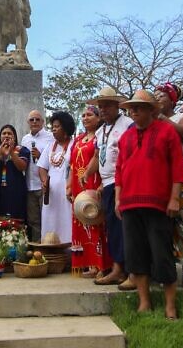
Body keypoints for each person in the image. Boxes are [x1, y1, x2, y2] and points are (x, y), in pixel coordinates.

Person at [115, 90, 183, 318]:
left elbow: (178, 167)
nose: (133, 111)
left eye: (139, 107)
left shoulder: (166, 132)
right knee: (136, 255)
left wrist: (174, 197)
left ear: (151, 109)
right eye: (131, 108)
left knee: (162, 254)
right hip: (129, 203)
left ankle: (170, 305)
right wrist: (118, 197)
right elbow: (119, 170)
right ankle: (144, 301)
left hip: (158, 204)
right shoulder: (126, 137)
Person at [79, 87, 131, 287]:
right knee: (112, 227)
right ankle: (118, 268)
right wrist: (88, 173)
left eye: (108, 105)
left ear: (117, 105)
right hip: (108, 184)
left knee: (122, 227)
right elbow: (96, 156)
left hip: (123, 183)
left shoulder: (127, 124)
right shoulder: (101, 131)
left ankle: (124, 270)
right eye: (101, 106)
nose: (104, 109)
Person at [155, 83, 183, 292]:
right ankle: (164, 270)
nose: (157, 98)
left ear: (172, 99)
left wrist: (162, 119)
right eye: (155, 95)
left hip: (182, 172)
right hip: (159, 174)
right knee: (161, 223)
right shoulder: (151, 122)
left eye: (162, 95)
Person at [67, 105, 111, 278]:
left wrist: (102, 184)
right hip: (78, 185)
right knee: (81, 223)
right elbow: (71, 165)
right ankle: (88, 263)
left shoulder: (100, 138)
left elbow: (103, 161)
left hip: (94, 182)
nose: (85, 118)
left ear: (99, 117)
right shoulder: (78, 140)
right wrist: (69, 185)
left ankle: (101, 265)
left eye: (90, 115)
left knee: (96, 222)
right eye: (83, 115)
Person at [37, 111, 75, 243]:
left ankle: (69, 254)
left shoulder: (74, 145)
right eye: (52, 126)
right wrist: (43, 181)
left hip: (68, 192)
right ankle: (50, 252)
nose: (53, 129)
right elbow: (42, 167)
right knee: (51, 221)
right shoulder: (50, 147)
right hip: (51, 194)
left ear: (65, 128)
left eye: (57, 126)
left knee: (67, 220)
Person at [21, 110, 54, 242]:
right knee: (33, 220)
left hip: (45, 185)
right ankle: (36, 248)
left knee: (47, 219)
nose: (34, 122)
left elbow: (56, 158)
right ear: (28, 122)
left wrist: (41, 156)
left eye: (37, 119)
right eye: (32, 120)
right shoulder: (25, 139)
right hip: (29, 185)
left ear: (43, 122)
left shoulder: (50, 137)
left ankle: (49, 248)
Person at [0, 125, 30, 222]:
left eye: (9, 134)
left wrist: (11, 153)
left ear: (14, 136)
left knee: (16, 218)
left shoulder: (22, 149)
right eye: (4, 133)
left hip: (16, 190)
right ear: (0, 136)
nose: (6, 136)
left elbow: (22, 167)